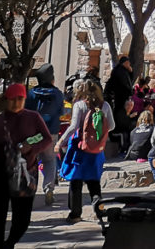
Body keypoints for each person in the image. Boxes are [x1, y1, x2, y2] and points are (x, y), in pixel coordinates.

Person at [0, 83, 51, 249]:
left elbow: (46, 138)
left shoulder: (33, 117)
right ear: (6, 100)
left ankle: (9, 244)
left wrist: (32, 148)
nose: (16, 103)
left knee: (22, 219)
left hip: (25, 174)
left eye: (20, 99)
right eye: (12, 99)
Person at [56, 80, 114, 223]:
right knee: (94, 182)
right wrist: (97, 134)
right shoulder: (105, 105)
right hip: (96, 150)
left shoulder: (79, 105)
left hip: (79, 149)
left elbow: (73, 126)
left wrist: (60, 141)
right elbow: (112, 126)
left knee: (76, 181)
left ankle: (75, 214)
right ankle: (99, 211)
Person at [25, 63, 64, 206]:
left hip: (33, 133)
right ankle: (48, 188)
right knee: (49, 160)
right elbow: (61, 111)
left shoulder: (31, 93)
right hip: (51, 132)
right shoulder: (58, 94)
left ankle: (29, 187)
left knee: (30, 160)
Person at [105, 56, 134, 152]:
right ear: (124, 63)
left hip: (122, 97)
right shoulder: (119, 71)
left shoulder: (123, 71)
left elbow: (129, 81)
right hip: (120, 97)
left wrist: (130, 71)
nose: (129, 65)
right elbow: (125, 85)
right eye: (128, 63)